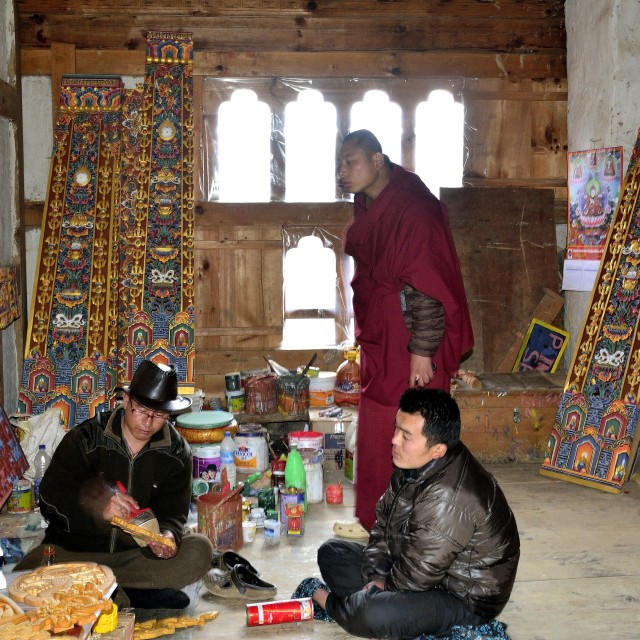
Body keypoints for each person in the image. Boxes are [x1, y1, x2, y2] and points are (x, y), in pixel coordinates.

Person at [299, 387, 520, 639]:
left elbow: (419, 574)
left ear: (438, 449)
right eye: (397, 429)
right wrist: (376, 576)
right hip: (417, 569)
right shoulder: (414, 465)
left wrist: (385, 588)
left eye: (406, 435)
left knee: (372, 614)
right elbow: (382, 527)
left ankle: (327, 601)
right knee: (332, 553)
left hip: (463, 598)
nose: (394, 440)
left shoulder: (449, 496)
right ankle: (371, 606)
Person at [338, 129, 474, 530]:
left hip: (410, 339)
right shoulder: (371, 203)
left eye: (351, 162)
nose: (342, 172)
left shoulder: (413, 208)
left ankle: (419, 520)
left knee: (414, 428)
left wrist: (423, 351)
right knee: (381, 420)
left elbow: (427, 287)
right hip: (384, 336)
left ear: (378, 161)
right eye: (340, 164)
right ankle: (380, 519)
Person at [15, 360, 214, 610]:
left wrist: (167, 536)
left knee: (199, 551)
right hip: (77, 554)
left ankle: (107, 591)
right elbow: (50, 501)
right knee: (30, 569)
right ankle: (131, 593)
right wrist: (99, 510)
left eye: (160, 416)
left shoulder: (176, 452)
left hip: (133, 559)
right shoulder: (85, 439)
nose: (148, 422)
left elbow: (173, 512)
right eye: (141, 410)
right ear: (127, 400)